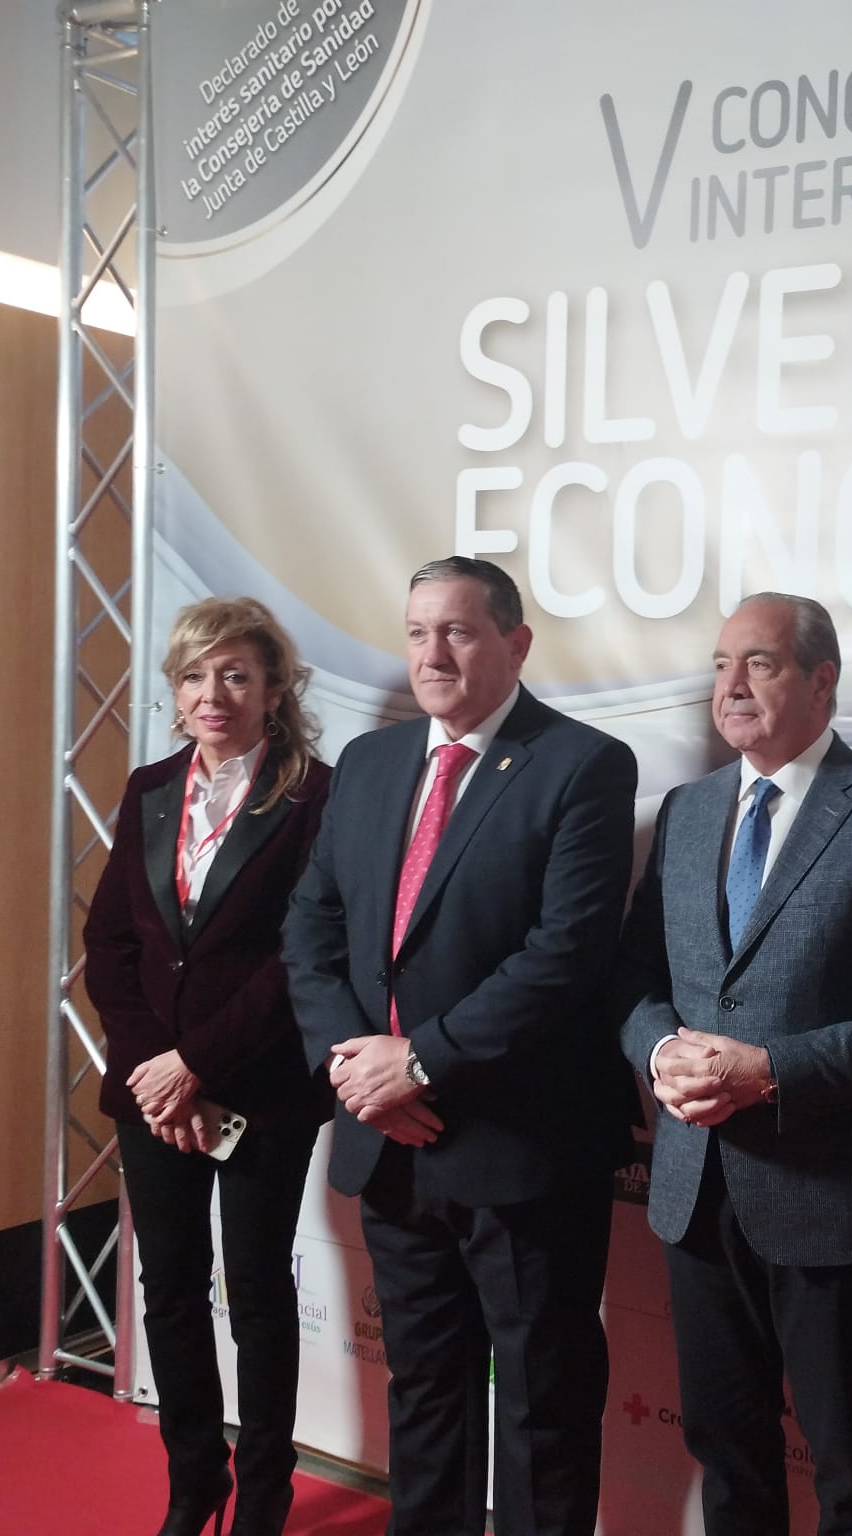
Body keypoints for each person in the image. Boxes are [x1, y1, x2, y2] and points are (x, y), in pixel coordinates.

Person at [283, 556, 637, 1536]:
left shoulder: (583, 766)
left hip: (519, 1149)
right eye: (416, 633)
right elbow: (311, 927)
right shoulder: (370, 764)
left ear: (516, 644)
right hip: (390, 1143)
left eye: (459, 631)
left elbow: (564, 955)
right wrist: (355, 1069)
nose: (432, 654)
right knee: (426, 1395)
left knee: (540, 1405)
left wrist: (421, 1061)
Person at [615, 592, 852, 1536]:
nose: (730, 686)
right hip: (695, 1188)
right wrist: (659, 1048)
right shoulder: (686, 813)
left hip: (831, 1194)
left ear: (822, 680)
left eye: (757, 663)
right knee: (726, 1449)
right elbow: (637, 977)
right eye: (721, 663)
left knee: (849, 1461)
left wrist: (769, 1069)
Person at [83, 597, 333, 1536]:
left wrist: (198, 1062)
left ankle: (266, 1495)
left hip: (261, 1091)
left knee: (260, 1292)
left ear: (275, 687)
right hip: (154, 1095)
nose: (212, 693)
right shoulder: (150, 785)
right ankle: (196, 1487)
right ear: (175, 692)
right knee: (171, 1290)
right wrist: (158, 1067)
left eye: (235, 673)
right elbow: (110, 940)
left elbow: (302, 954)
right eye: (193, 675)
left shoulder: (318, 793)